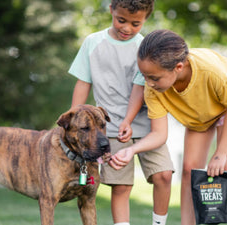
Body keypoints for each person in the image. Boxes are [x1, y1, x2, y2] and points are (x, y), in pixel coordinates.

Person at [109, 29, 227, 225]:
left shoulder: (213, 73)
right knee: (189, 170)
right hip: (198, 114)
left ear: (178, 67)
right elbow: (159, 134)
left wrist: (221, 152)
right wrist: (132, 150)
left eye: (154, 78)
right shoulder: (154, 89)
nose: (148, 83)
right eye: (145, 76)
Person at [68, 2, 174, 225]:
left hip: (146, 126)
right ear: (111, 11)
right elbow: (83, 83)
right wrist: (73, 119)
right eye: (121, 20)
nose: (126, 28)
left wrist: (129, 119)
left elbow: (139, 87)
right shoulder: (93, 43)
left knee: (163, 175)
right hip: (112, 128)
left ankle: (159, 223)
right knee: (122, 186)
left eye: (135, 23)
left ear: (145, 19)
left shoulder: (145, 47)